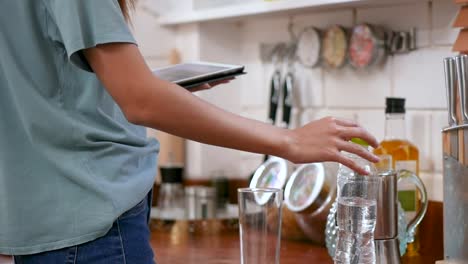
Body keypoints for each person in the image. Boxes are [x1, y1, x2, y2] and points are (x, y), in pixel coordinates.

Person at [0, 0, 379, 263]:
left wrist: (149, 88)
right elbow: (140, 101)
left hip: (32, 229)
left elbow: (38, 94)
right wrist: (290, 140)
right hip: (92, 222)